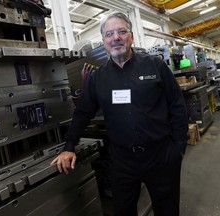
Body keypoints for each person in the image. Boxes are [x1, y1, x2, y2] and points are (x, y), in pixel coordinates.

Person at [51, 12, 188, 216]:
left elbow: (177, 105)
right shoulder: (99, 77)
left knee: (167, 210)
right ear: (104, 41)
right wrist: (69, 146)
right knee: (123, 211)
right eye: (109, 34)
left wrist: (178, 147)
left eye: (122, 31)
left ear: (131, 36)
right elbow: (83, 112)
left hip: (161, 155)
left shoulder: (155, 65)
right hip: (122, 160)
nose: (116, 37)